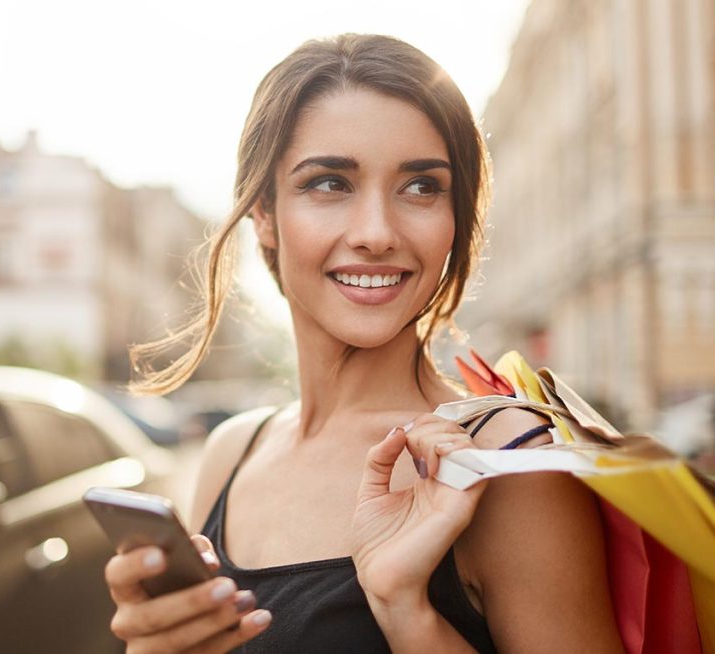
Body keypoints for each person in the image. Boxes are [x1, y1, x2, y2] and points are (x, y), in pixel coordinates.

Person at [104, 34, 623, 653]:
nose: (377, 233)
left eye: (422, 187)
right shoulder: (232, 450)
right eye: (329, 183)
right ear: (264, 213)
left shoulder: (510, 464)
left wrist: (408, 613)